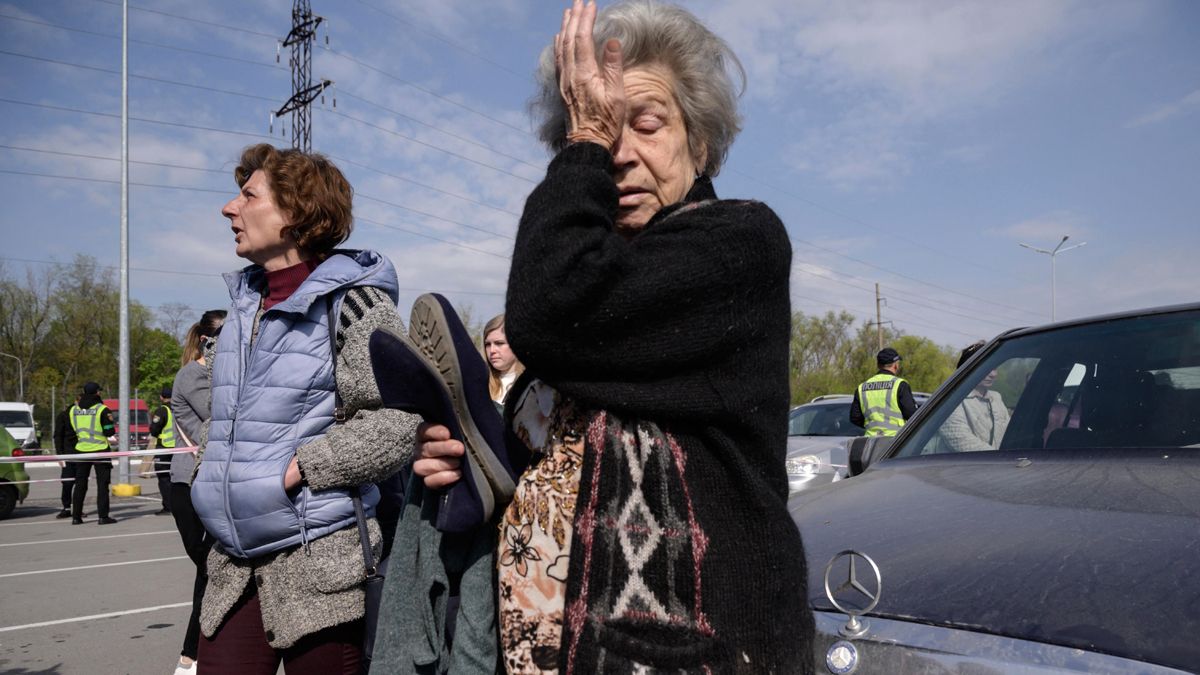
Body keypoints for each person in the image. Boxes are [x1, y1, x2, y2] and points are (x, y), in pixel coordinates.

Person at [403, 1, 814, 671]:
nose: (619, 155)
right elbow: (541, 446)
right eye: (599, 134)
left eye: (646, 125)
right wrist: (466, 459)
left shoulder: (740, 244)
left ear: (700, 143)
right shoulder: (599, 281)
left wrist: (586, 135)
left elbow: (548, 313)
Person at [190, 143, 418, 674]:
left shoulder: (354, 305)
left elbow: (400, 416)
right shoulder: (241, 311)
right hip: (232, 563)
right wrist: (211, 468)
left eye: (248, 195)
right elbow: (229, 420)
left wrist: (305, 468)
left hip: (318, 565)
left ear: (294, 215)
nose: (229, 208)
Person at [168, 309, 225, 675]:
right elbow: (219, 414)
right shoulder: (194, 374)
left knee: (214, 572)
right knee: (211, 570)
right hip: (189, 484)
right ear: (208, 341)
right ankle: (191, 657)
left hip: (212, 482)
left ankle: (192, 658)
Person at [69, 382, 117, 525]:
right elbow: (109, 431)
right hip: (100, 450)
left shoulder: (74, 410)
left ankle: (76, 517)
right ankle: (103, 516)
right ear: (97, 393)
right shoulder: (102, 409)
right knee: (102, 485)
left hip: (81, 450)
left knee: (80, 484)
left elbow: (72, 430)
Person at [939, 368, 1011, 452]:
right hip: (967, 464)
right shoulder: (952, 400)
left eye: (994, 369)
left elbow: (1010, 434)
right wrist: (1001, 457)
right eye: (987, 367)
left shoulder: (996, 398)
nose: (993, 374)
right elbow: (963, 443)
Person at [850, 347, 917, 436]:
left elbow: (855, 417)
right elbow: (911, 414)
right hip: (896, 442)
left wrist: (872, 425)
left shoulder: (862, 387)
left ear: (878, 365)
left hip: (871, 442)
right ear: (896, 365)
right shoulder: (900, 385)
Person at [483, 314, 524, 411]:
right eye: (487, 344)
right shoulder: (479, 383)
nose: (492, 350)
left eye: (499, 343)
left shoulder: (534, 386)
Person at [148, 386, 175, 516]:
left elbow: (154, 430)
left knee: (164, 478)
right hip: (180, 448)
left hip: (165, 448)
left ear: (161, 397)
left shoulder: (162, 411)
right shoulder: (180, 408)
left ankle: (168, 507)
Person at [52, 395, 79, 519]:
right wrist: (60, 455)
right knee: (67, 482)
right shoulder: (63, 416)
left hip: (83, 454)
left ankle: (78, 508)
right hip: (67, 454)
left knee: (80, 483)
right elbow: (57, 436)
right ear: (75, 401)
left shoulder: (86, 415)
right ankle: (66, 508)